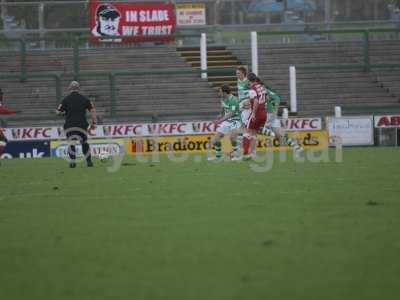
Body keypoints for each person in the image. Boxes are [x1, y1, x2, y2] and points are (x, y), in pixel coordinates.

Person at [56, 81, 97, 168]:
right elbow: (92, 110)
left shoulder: (65, 99)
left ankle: (72, 162)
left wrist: (64, 113)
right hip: (82, 124)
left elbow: (58, 112)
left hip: (70, 125)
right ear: (79, 88)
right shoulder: (85, 99)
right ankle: (89, 161)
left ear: (69, 88)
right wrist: (94, 122)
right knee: (84, 142)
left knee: (71, 143)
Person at [261, 85, 303, 153]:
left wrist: (274, 112)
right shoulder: (261, 94)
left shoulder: (267, 94)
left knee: (279, 134)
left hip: (269, 116)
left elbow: (275, 102)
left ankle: (296, 147)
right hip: (267, 116)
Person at [208, 85, 242, 161]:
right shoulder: (222, 99)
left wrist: (220, 121)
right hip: (227, 121)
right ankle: (218, 157)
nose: (218, 93)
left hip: (235, 120)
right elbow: (223, 110)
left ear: (224, 92)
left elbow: (231, 113)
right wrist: (219, 116)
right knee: (216, 139)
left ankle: (237, 155)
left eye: (220, 92)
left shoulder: (234, 100)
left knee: (232, 138)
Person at [242, 73, 267, 160]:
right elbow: (264, 99)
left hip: (257, 113)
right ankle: (253, 153)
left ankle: (245, 153)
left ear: (249, 80)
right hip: (264, 112)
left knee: (246, 130)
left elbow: (256, 101)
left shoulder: (252, 89)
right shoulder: (261, 86)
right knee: (254, 133)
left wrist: (253, 113)